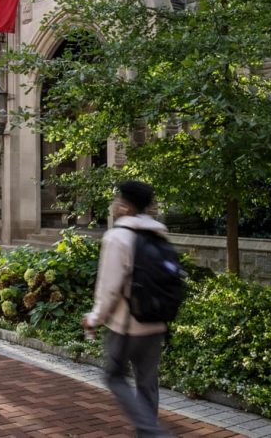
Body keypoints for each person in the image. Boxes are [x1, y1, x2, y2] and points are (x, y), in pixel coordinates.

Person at [83, 181, 171, 438]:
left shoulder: (118, 237)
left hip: (125, 325)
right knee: (147, 384)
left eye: (116, 199)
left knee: (114, 376)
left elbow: (110, 288)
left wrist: (94, 318)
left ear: (124, 205)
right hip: (156, 322)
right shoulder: (159, 234)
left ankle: (151, 431)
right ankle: (148, 434)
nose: (113, 204)